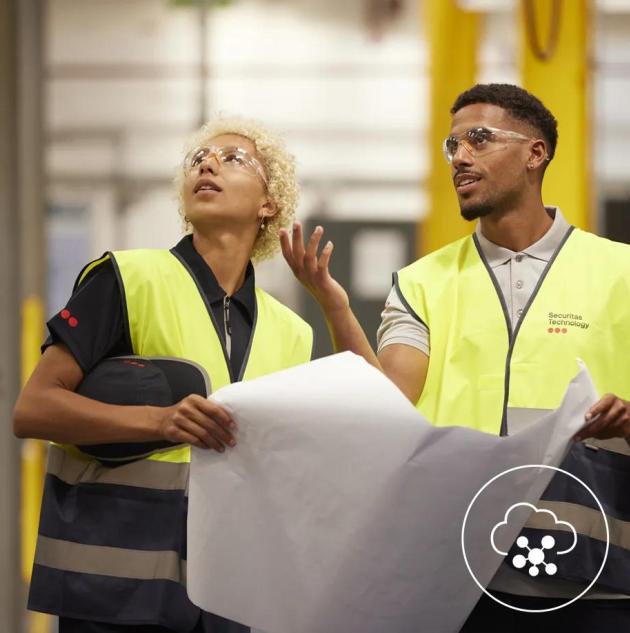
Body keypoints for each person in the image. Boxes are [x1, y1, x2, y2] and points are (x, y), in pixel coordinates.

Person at [281, 83, 630, 632]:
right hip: (459, 565)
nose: (460, 157)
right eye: (452, 145)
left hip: (595, 567)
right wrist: (336, 306)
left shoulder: (621, 271)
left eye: (479, 139)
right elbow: (387, 407)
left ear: (536, 153)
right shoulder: (421, 284)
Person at [13, 117, 313, 633]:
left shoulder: (292, 332)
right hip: (114, 592)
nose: (208, 163)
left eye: (234, 158)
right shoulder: (126, 278)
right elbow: (33, 409)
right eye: (199, 159)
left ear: (270, 204)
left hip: (232, 599)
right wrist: (159, 421)